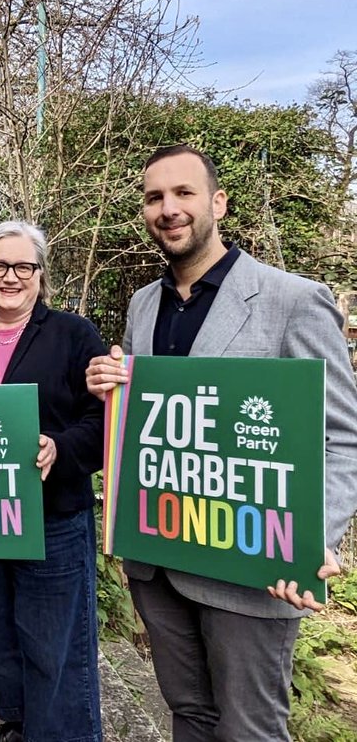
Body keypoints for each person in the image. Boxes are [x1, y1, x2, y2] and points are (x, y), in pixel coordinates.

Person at [86, 144, 357, 742]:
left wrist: (313, 536)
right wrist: (110, 387)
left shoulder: (292, 299)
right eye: (155, 197)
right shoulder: (144, 303)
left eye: (183, 193)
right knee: (190, 717)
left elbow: (342, 438)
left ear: (218, 202)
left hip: (252, 565)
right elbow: (147, 416)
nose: (168, 208)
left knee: (250, 730)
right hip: (158, 560)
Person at [0, 221, 106, 742]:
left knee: (55, 647)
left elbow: (101, 423)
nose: (10, 276)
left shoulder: (74, 334)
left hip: (53, 518)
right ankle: (24, 725)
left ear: (40, 274)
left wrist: (62, 447)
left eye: (23, 266)